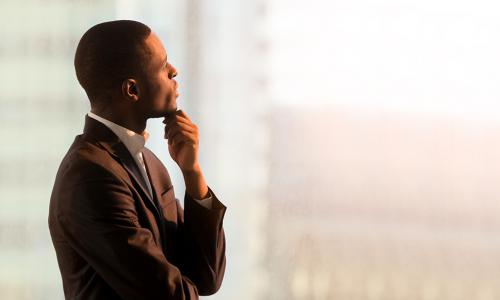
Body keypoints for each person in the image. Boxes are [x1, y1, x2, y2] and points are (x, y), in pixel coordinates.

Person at [48, 20, 227, 299]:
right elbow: (165, 294)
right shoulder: (89, 176)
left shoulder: (152, 165)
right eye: (163, 65)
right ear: (132, 90)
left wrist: (192, 173)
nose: (174, 71)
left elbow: (206, 276)